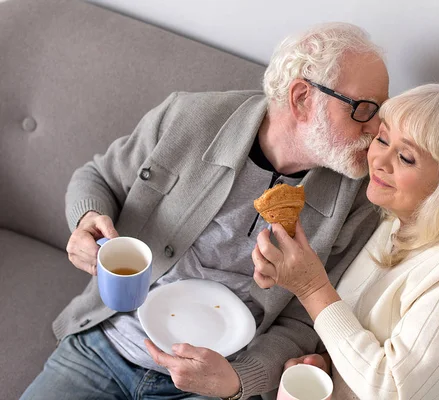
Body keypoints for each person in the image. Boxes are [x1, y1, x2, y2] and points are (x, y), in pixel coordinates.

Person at [21, 22, 389, 400]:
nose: (376, 128)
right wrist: (86, 221)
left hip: (212, 383)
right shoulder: (188, 118)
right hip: (107, 345)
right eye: (363, 110)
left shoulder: (358, 198)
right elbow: (98, 176)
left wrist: (241, 380)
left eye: (381, 111)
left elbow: (306, 320)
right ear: (301, 98)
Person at [253, 83, 439, 399]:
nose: (378, 159)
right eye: (382, 138)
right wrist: (332, 367)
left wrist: (311, 288)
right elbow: (375, 339)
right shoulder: (398, 219)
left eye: (405, 157)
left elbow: (391, 390)